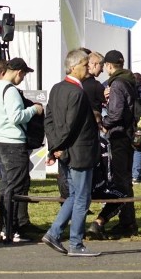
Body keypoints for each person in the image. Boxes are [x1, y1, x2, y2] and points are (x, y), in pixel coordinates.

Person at [41, 49, 102, 257]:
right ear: (74, 67)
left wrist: (54, 147)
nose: (88, 68)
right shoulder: (77, 92)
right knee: (82, 198)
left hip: (66, 151)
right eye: (85, 65)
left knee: (74, 195)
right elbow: (71, 126)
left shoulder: (57, 88)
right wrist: (57, 147)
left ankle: (54, 232)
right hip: (78, 151)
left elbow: (49, 120)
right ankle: (76, 243)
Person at [0, 57, 43, 244]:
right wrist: (34, 110)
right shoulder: (10, 90)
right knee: (16, 185)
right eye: (24, 74)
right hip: (13, 141)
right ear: (19, 72)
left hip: (0, 139)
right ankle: (14, 228)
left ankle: (7, 226)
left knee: (7, 184)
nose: (23, 78)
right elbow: (16, 116)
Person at [87, 50, 138, 240]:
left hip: (119, 136)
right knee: (125, 179)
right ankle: (128, 220)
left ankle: (126, 222)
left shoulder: (117, 84)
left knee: (120, 180)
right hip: (129, 134)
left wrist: (103, 124)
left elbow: (116, 114)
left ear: (108, 66)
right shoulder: (130, 81)